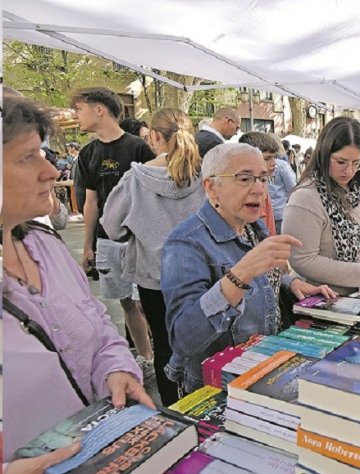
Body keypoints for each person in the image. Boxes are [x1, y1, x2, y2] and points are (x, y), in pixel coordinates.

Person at [3, 95, 153, 463]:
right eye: (27, 157)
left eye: (43, 154)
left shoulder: (45, 246)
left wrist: (116, 369)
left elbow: (98, 324)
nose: (51, 172)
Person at [161, 143, 334, 394]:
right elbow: (184, 338)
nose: (259, 189)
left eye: (264, 179)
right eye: (245, 179)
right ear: (211, 187)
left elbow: (264, 278)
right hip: (217, 387)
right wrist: (239, 276)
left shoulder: (254, 228)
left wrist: (291, 283)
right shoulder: (185, 243)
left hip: (262, 369)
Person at [101, 108, 206, 405]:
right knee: (203, 341)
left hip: (153, 276)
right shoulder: (205, 178)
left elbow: (111, 226)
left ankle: (174, 408)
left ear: (156, 136)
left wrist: (137, 231)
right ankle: (203, 404)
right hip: (201, 275)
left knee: (163, 345)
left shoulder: (136, 179)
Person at [73, 87, 156, 368]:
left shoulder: (138, 148)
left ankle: (163, 355)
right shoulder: (87, 153)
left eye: (79, 109)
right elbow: (91, 202)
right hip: (107, 240)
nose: (76, 116)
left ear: (100, 110)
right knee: (125, 302)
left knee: (147, 300)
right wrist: (88, 246)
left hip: (140, 239)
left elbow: (151, 196)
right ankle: (146, 358)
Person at [282, 117, 360, 295]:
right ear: (324, 154)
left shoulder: (357, 190)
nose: (349, 171)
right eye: (341, 162)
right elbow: (303, 259)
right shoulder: (306, 197)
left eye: (356, 163)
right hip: (325, 299)